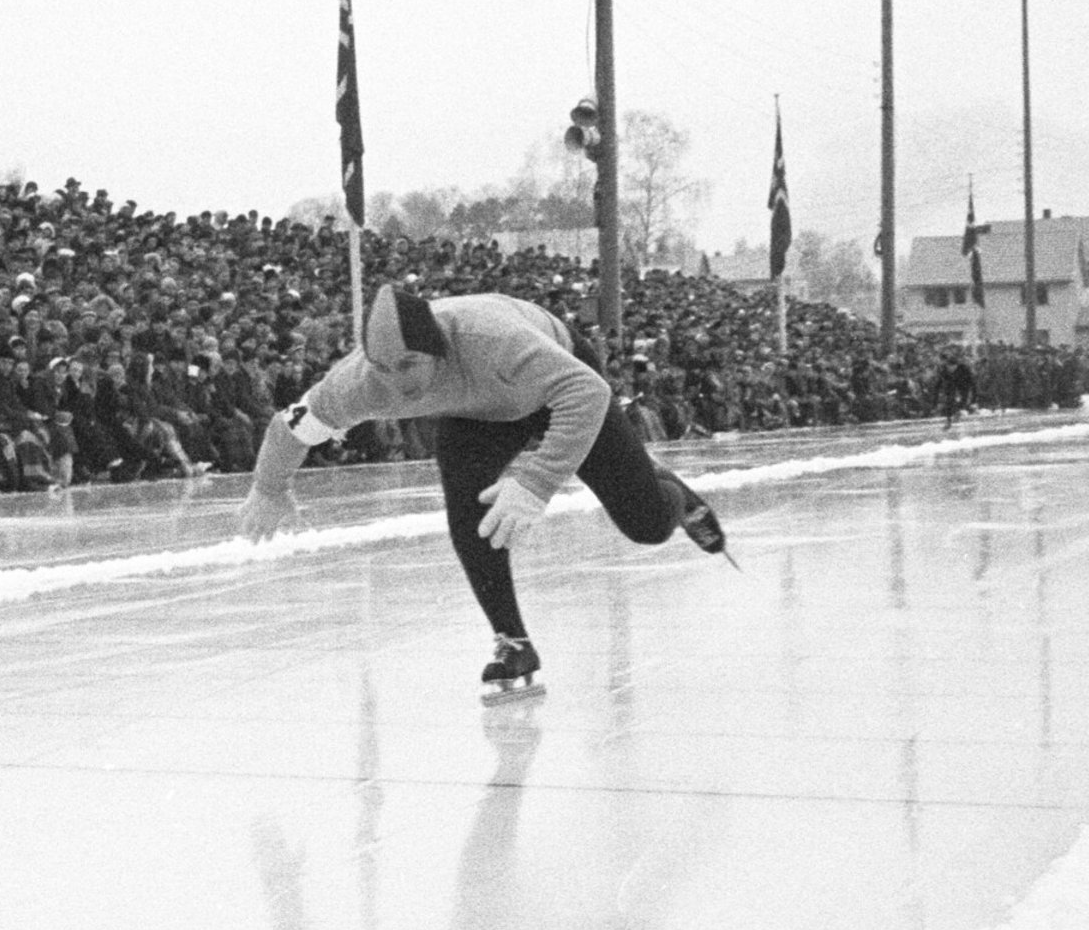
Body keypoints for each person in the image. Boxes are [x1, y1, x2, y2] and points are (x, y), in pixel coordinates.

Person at [238, 283, 731, 704]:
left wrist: (535, 481)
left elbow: (588, 392)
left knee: (645, 526)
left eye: (409, 365)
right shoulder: (359, 383)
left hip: (558, 381)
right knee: (471, 511)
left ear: (437, 348)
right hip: (477, 411)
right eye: (382, 369)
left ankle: (669, 492)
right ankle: (512, 640)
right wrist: (268, 486)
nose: (395, 383)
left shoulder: (492, 341)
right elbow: (290, 428)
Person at [932, 345, 976, 429]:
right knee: (949, 399)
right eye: (949, 368)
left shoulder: (964, 369)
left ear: (956, 366)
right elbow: (937, 386)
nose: (950, 370)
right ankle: (948, 421)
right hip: (952, 385)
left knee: (963, 398)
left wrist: (974, 400)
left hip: (963, 385)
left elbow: (973, 384)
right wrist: (934, 403)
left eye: (952, 368)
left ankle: (959, 411)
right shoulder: (944, 371)